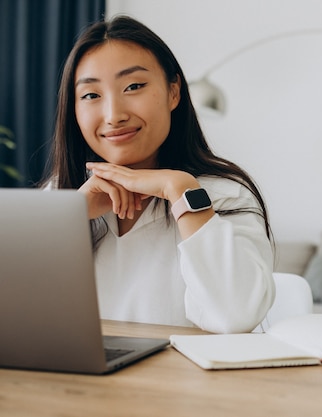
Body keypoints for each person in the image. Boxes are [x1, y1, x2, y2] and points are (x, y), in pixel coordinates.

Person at [42, 15, 275, 334]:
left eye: (134, 86)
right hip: (77, 382)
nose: (114, 115)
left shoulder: (223, 194)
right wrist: (68, 216)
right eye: (91, 95)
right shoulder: (61, 194)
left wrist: (181, 191)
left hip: (183, 383)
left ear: (173, 92)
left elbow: (235, 317)